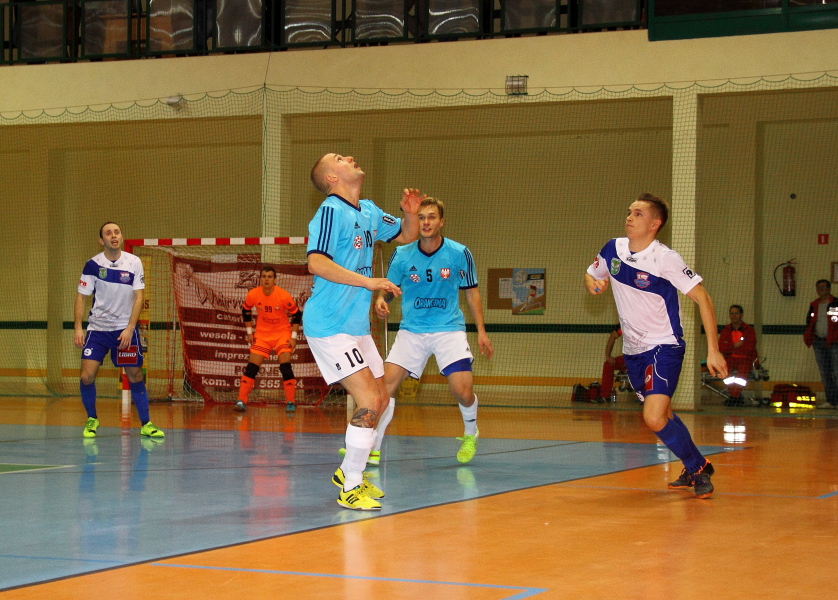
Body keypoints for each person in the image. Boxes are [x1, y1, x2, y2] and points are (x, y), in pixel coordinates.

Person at [584, 193, 727, 499]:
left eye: (638, 214)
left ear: (655, 224)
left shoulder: (665, 258)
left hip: (664, 346)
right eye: (629, 211)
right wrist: (593, 283)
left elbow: (703, 298)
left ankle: (698, 469)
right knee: (664, 414)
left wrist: (713, 350)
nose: (629, 217)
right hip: (633, 352)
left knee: (653, 417)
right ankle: (696, 465)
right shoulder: (613, 249)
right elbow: (592, 273)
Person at [305, 152, 422, 511]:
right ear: (332, 178)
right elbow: (316, 262)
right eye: (340, 158)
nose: (350, 157)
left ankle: (348, 472)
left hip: (355, 327)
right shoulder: (330, 211)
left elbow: (407, 235)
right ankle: (351, 486)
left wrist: (410, 213)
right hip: (329, 326)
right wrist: (369, 282)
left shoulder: (368, 210)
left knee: (383, 399)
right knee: (370, 401)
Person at [371, 197, 493, 465]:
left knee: (463, 391)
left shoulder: (459, 253)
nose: (426, 222)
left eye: (431, 217)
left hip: (448, 330)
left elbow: (471, 292)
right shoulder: (402, 254)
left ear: (441, 222)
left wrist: (482, 332)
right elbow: (390, 287)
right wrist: (381, 299)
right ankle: (372, 447)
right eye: (421, 217)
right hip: (412, 331)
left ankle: (470, 433)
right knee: (384, 387)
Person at [74, 222, 164, 440]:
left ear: (121, 237)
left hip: (125, 330)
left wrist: (130, 328)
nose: (113, 236)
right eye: (108, 233)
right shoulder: (92, 265)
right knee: (86, 376)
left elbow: (139, 297)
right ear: (101, 240)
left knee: (135, 375)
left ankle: (146, 423)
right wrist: (78, 327)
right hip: (98, 330)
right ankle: (92, 419)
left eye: (117, 232)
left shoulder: (134, 262)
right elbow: (81, 297)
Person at [234, 266, 302, 412]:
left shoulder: (283, 295)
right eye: (264, 276)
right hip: (262, 334)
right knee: (252, 367)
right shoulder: (253, 294)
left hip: (282, 333)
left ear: (275, 280)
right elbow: (245, 311)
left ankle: (290, 401)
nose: (266, 279)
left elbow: (297, 314)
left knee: (285, 366)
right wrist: (249, 332)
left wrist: (293, 336)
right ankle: (241, 401)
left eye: (270, 277)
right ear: (260, 279)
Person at [804, 279, 838, 409]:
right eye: (818, 287)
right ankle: (831, 401)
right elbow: (809, 321)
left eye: (823, 287)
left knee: (836, 372)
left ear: (829, 289)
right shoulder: (814, 305)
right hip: (818, 342)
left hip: (835, 342)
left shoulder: (836, 303)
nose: (820, 290)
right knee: (824, 373)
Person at [718, 304, 759, 406]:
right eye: (731, 313)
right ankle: (736, 397)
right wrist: (735, 345)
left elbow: (750, 348)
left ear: (741, 315)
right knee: (725, 371)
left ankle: (734, 397)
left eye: (736, 313)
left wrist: (730, 348)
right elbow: (721, 347)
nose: (733, 316)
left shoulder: (749, 330)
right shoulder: (726, 330)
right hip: (730, 359)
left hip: (745, 359)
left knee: (742, 374)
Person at [597, 326, 625, 402]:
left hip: (644, 358)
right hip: (628, 358)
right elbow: (613, 336)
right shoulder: (625, 324)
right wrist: (607, 356)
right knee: (608, 364)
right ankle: (605, 396)